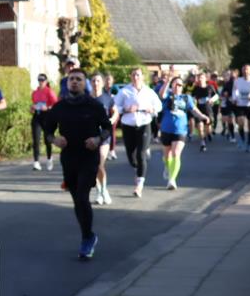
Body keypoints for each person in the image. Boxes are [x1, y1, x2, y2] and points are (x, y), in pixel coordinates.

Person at [43, 69, 111, 259]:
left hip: (89, 156)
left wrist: (98, 139)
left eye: (78, 79)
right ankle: (88, 234)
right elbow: (47, 131)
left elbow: (107, 128)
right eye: (71, 79)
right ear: (67, 83)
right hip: (69, 157)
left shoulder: (94, 105)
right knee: (77, 200)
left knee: (82, 196)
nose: (74, 82)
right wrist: (54, 140)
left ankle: (87, 239)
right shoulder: (59, 107)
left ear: (84, 83)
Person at [113, 68, 162, 197]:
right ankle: (137, 167)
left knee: (140, 154)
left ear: (142, 77)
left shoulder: (149, 91)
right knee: (131, 155)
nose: (136, 77)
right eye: (134, 75)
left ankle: (139, 185)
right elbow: (115, 106)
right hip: (128, 124)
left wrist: (152, 109)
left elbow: (159, 105)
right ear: (130, 77)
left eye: (138, 75)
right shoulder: (124, 91)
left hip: (144, 123)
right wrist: (126, 109)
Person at [158, 76, 211, 189]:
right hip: (166, 129)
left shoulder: (186, 98)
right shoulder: (168, 96)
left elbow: (194, 110)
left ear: (182, 87)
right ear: (172, 86)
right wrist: (167, 82)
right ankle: (167, 167)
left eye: (180, 85)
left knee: (176, 153)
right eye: (175, 84)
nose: (178, 87)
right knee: (167, 155)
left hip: (180, 129)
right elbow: (161, 94)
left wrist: (203, 116)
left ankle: (172, 180)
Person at [90, 73, 115, 204]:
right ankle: (99, 192)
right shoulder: (86, 99)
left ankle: (104, 190)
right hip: (89, 135)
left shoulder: (107, 98)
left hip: (103, 135)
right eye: (93, 81)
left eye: (98, 81)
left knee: (100, 163)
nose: (96, 83)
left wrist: (112, 119)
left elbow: (115, 111)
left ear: (103, 83)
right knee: (93, 166)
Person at [30, 73, 58, 171]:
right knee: (36, 140)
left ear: (46, 81)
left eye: (42, 80)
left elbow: (56, 105)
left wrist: (48, 108)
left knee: (47, 139)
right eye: (39, 80)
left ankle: (49, 158)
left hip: (47, 116)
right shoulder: (35, 92)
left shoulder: (49, 91)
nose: (41, 82)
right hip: (37, 116)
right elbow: (34, 104)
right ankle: (36, 162)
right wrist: (32, 108)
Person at [190, 72, 219, 152]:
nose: (200, 79)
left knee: (208, 128)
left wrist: (211, 100)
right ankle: (202, 143)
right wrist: (194, 100)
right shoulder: (196, 88)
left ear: (205, 79)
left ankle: (208, 133)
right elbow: (192, 97)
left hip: (208, 110)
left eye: (202, 78)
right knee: (200, 127)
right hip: (199, 110)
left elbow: (216, 96)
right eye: (199, 78)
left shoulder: (210, 87)